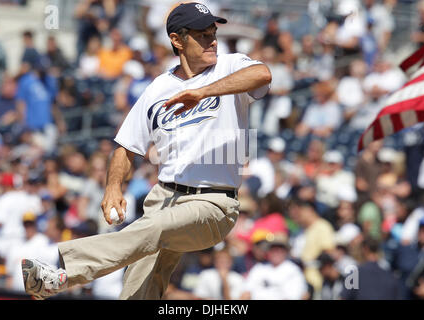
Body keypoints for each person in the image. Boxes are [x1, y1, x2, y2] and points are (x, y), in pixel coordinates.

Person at [22, 2, 272, 300]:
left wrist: (203, 91)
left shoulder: (229, 66)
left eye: (213, 32)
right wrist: (113, 186)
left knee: (153, 229)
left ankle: (61, 275)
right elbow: (126, 146)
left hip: (213, 202)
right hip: (164, 198)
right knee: (137, 291)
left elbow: (263, 74)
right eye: (202, 35)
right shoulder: (158, 89)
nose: (212, 40)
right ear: (178, 40)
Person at [241, 234, 307, 300]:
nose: (276, 252)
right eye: (273, 249)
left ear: (285, 252)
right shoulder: (259, 268)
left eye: (280, 249)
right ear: (268, 252)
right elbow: (246, 292)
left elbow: (292, 297)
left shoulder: (293, 271)